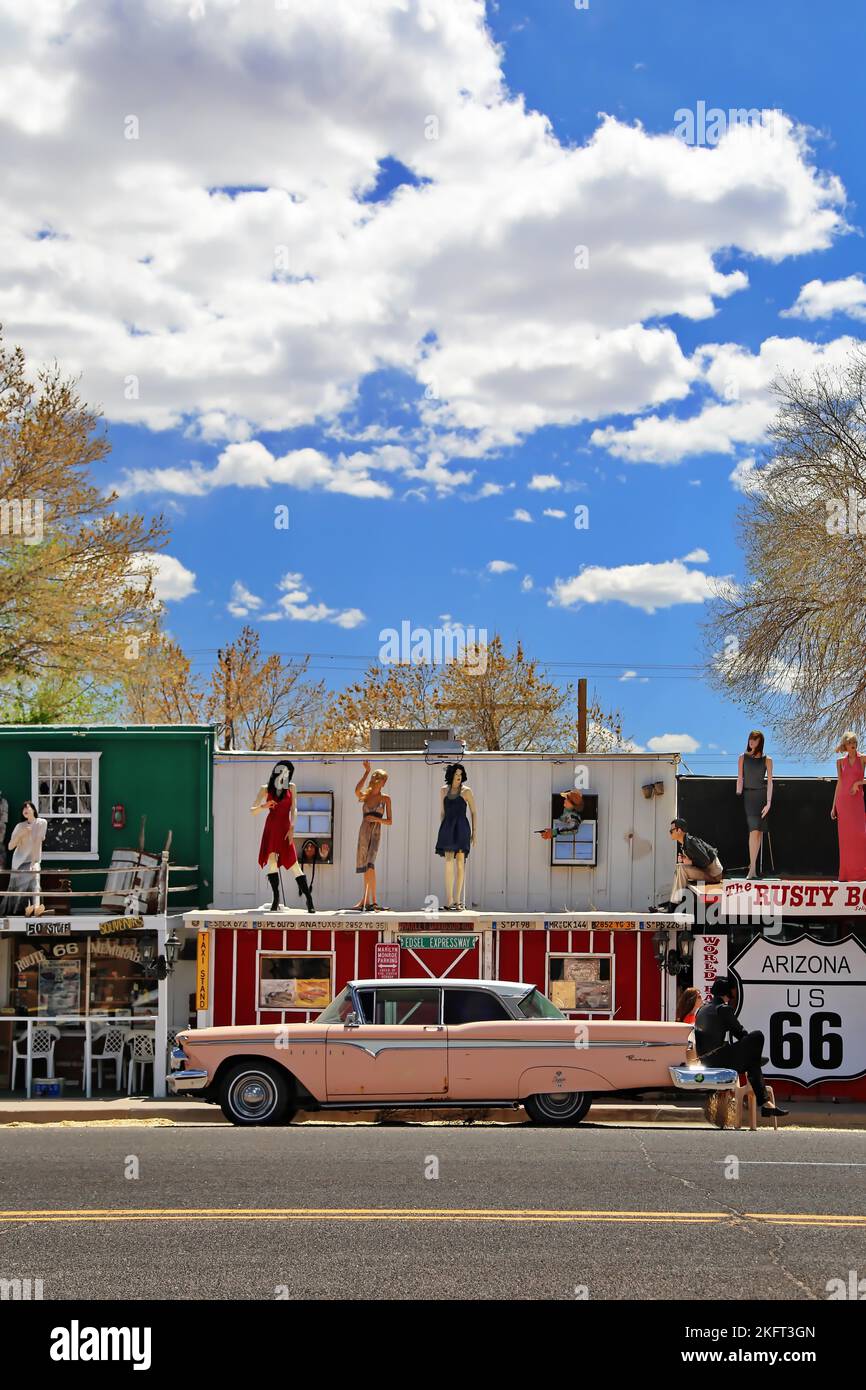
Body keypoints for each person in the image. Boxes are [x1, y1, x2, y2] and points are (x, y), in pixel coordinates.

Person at [694, 976, 787, 1118]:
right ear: (727, 992)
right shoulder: (723, 1009)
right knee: (757, 1036)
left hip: (705, 1060)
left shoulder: (703, 1009)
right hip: (718, 1059)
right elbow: (740, 1033)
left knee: (752, 1062)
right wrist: (751, 1051)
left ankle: (767, 1104)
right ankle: (765, 1102)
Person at [251, 759, 315, 913]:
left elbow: (294, 808)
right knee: (272, 862)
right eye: (282, 771)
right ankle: (276, 897)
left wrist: (293, 826)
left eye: (287, 773)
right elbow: (252, 810)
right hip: (271, 828)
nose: (284, 775)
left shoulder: (291, 788)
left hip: (285, 828)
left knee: (294, 865)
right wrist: (264, 806)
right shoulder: (265, 789)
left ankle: (309, 899)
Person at [435, 763, 477, 910]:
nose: (458, 777)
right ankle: (449, 900)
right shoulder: (443, 790)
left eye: (460, 774)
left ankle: (458, 900)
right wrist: (442, 829)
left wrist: (474, 833)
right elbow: (442, 812)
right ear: (451, 775)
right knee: (448, 863)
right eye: (456, 774)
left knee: (460, 864)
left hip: (461, 828)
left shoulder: (466, 791)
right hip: (447, 827)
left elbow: (474, 812)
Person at [657, 818, 723, 911]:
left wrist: (690, 862)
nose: (670, 833)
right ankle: (672, 904)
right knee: (680, 867)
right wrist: (686, 860)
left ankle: (673, 906)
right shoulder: (685, 843)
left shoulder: (691, 842)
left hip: (714, 875)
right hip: (707, 872)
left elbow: (706, 861)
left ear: (679, 830)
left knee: (682, 869)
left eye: (671, 831)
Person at [353, 760, 392, 911]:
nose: (380, 782)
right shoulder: (367, 796)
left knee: (370, 863)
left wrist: (376, 819)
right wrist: (366, 772)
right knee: (365, 866)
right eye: (379, 779)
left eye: (382, 780)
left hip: (375, 832)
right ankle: (367, 900)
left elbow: (390, 821)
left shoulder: (385, 799)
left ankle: (371, 900)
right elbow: (356, 791)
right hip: (364, 832)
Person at [0, 801, 48, 916]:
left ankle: (36, 907)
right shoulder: (20, 826)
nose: (25, 810)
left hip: (33, 859)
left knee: (35, 877)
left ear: (33, 810)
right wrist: (21, 834)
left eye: (27, 807)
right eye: (23, 809)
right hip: (19, 861)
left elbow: (37, 842)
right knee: (22, 885)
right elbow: (10, 846)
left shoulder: (41, 823)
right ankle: (23, 908)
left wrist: (34, 862)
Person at [736, 730, 773, 879]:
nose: (752, 742)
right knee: (753, 831)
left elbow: (770, 782)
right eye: (750, 739)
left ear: (760, 742)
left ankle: (754, 867)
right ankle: (751, 868)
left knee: (758, 833)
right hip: (749, 796)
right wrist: (738, 791)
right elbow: (740, 777)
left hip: (762, 797)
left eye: (755, 739)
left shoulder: (767, 759)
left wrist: (769, 803)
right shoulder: (742, 757)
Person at [831, 731, 866, 881]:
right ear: (845, 745)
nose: (853, 745)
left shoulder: (863, 758)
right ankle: (845, 875)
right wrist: (833, 806)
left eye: (855, 742)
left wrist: (858, 783)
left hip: (857, 801)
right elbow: (839, 783)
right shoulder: (840, 761)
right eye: (850, 743)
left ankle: (861, 874)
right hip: (843, 802)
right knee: (845, 839)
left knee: (860, 835)